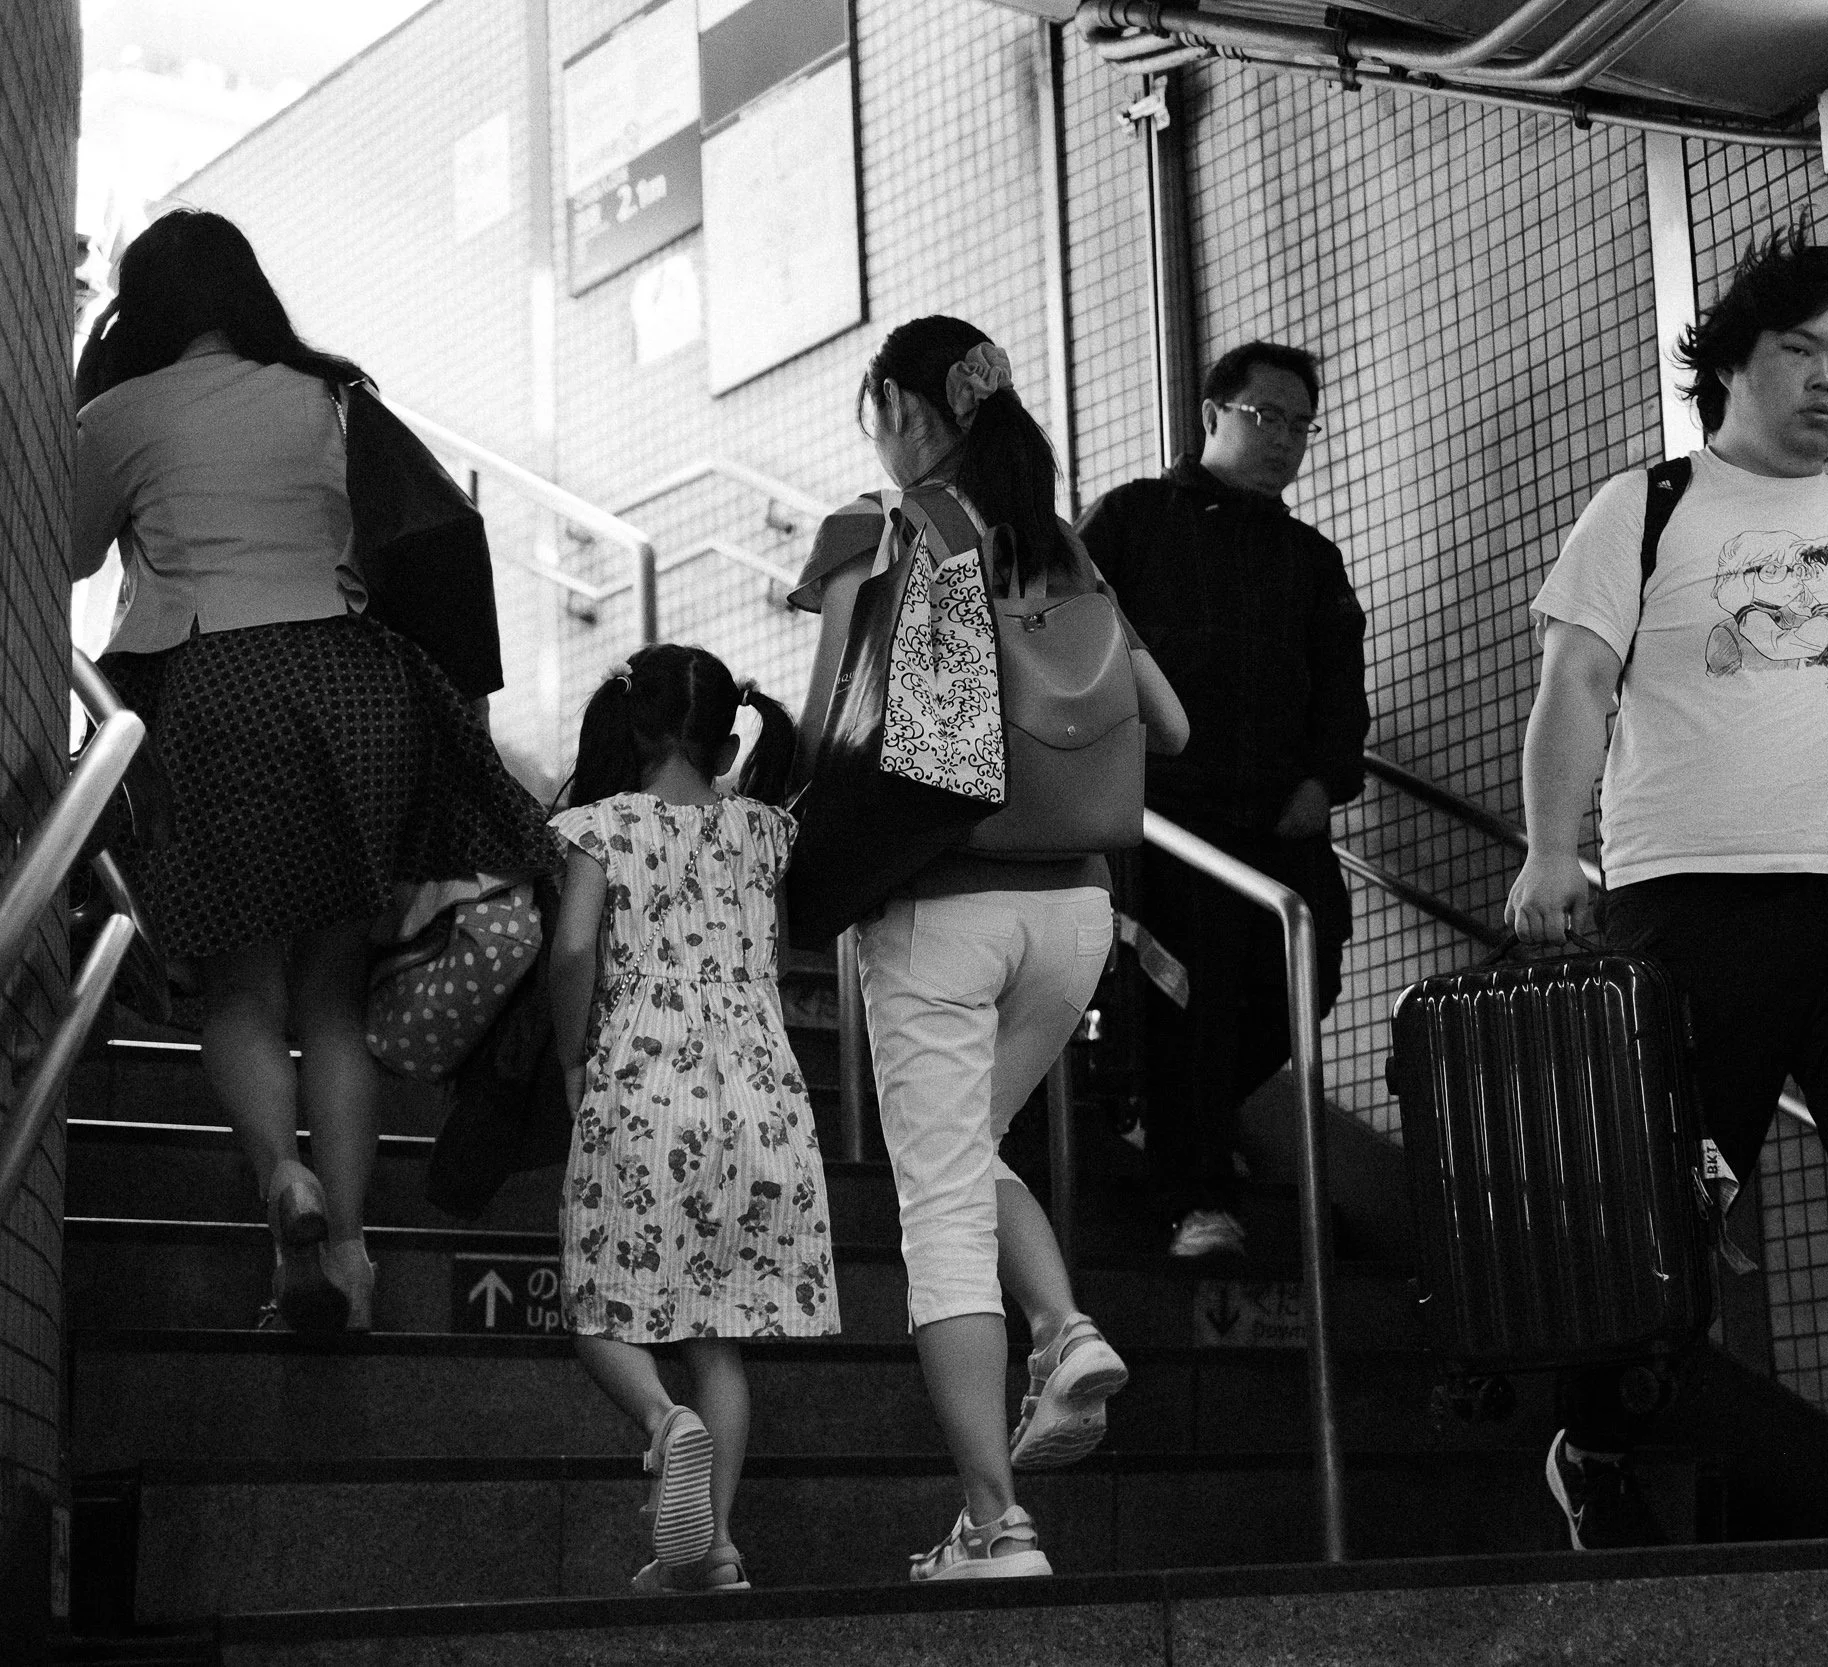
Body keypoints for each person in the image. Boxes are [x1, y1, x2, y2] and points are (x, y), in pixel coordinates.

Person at [1506, 230, 1828, 1543]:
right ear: (1732, 359)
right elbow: (1577, 685)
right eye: (1803, 351)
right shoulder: (1647, 505)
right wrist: (1555, 848)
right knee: (1670, 1190)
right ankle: (1604, 1436)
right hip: (1691, 905)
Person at [70, 208, 561, 1333]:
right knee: (334, 993)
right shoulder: (332, 397)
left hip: (217, 686)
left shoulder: (123, 411)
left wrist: (88, 399)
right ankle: (345, 1247)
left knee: (240, 986)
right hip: (357, 691)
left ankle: (279, 1180)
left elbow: (66, 554)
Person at [790, 317, 1190, 1581]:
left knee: (940, 1207)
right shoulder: (1059, 546)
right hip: (1075, 913)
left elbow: (824, 730)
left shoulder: (882, 527)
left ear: (906, 410)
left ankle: (992, 1521)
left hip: (943, 904)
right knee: (966, 1151)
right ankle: (1064, 1324)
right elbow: (1167, 726)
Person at [544, 643, 837, 1594]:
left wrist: (572, 1053)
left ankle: (666, 1424)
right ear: (722, 735)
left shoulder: (604, 825)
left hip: (646, 1081)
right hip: (764, 1098)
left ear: (637, 727)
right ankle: (711, 1550)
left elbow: (575, 946)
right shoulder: (764, 829)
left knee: (596, 1302)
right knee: (721, 1334)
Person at [1076, 342, 1368, 1258]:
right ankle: (1197, 1195)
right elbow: (1071, 644)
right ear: (1212, 415)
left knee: (1305, 975)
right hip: (1168, 821)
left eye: (1300, 424)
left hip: (1278, 821)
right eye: (1265, 415)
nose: (1285, 438)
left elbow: (1339, 686)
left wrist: (1323, 781)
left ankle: (1165, 1123)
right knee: (1191, 1001)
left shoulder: (1309, 558)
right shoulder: (1132, 519)